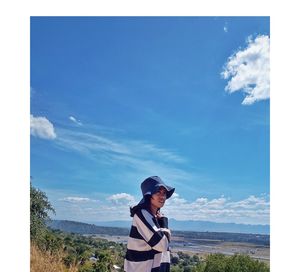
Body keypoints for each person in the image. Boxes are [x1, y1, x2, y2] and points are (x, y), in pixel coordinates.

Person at [124, 176, 175, 272]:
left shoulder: (153, 217)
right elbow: (162, 245)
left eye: (164, 193)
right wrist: (164, 224)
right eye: (158, 192)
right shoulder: (142, 214)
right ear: (149, 195)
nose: (162, 196)